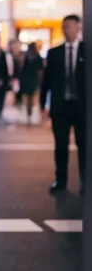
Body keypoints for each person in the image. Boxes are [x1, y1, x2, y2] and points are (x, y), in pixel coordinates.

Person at [40, 15, 85, 195]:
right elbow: (47, 82)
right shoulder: (54, 53)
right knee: (60, 146)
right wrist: (42, 104)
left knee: (84, 146)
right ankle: (61, 180)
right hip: (60, 107)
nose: (67, 30)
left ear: (78, 28)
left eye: (70, 27)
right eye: (64, 27)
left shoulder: (86, 51)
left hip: (81, 107)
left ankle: (85, 181)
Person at [19, 42, 43, 124]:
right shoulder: (36, 57)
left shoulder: (27, 57)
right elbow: (40, 70)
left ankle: (29, 113)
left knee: (29, 98)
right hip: (32, 80)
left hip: (28, 80)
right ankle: (30, 113)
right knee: (31, 98)